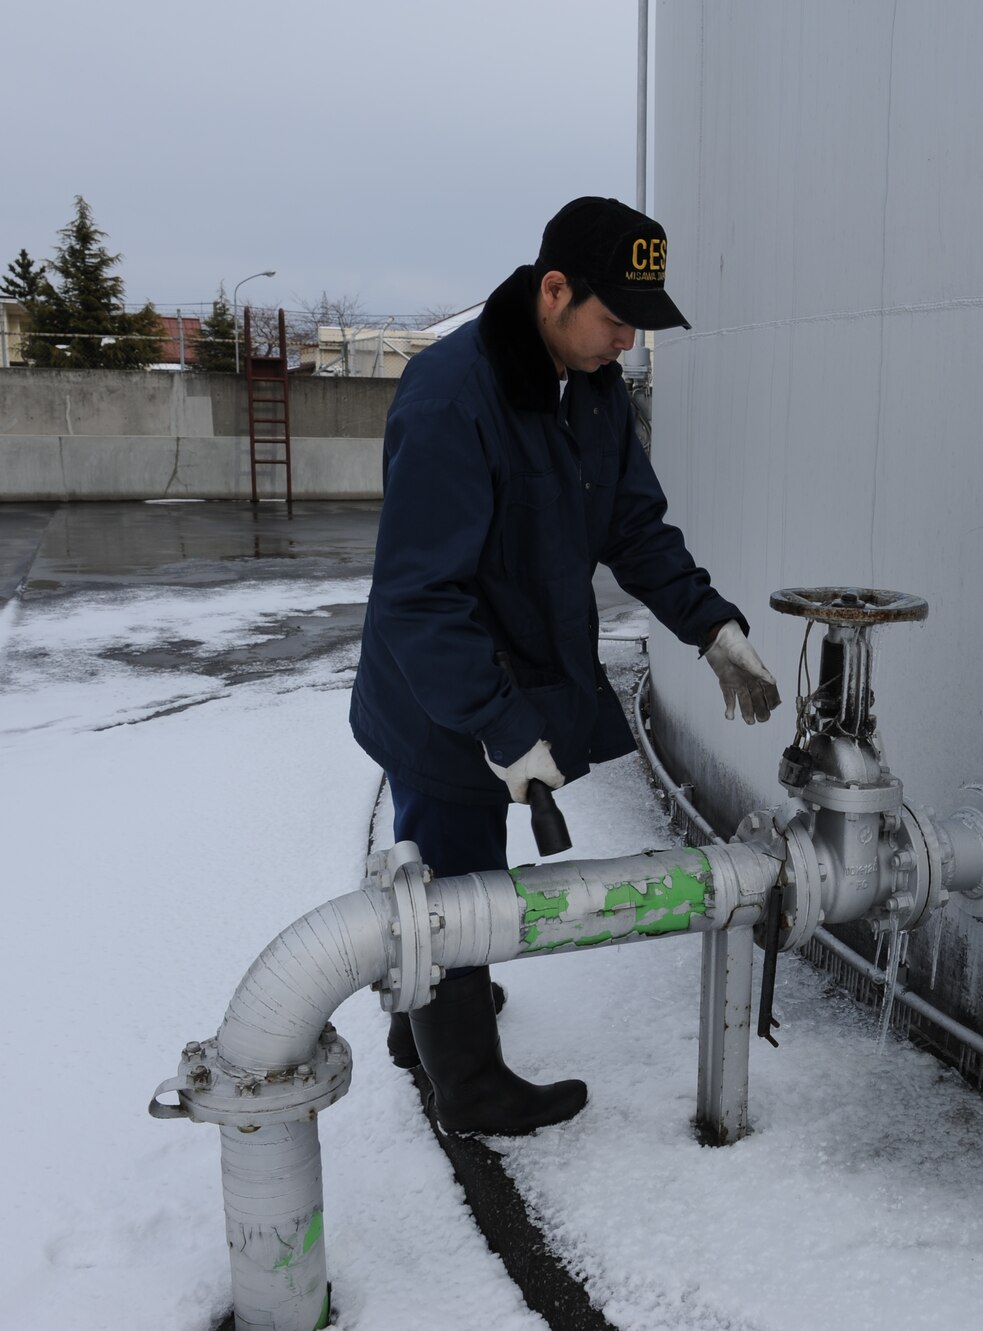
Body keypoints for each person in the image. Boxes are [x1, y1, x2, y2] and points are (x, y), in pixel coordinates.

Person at [350, 197, 780, 1136]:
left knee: (461, 878)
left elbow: (632, 526)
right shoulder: (450, 398)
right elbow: (424, 598)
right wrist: (499, 726)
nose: (625, 341)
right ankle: (466, 1083)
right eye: (615, 317)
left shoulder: (591, 391)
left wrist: (710, 628)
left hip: (512, 676)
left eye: (638, 323)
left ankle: (424, 1018)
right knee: (455, 872)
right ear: (554, 290)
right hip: (440, 696)